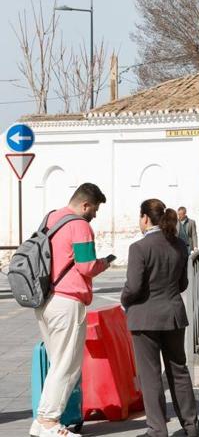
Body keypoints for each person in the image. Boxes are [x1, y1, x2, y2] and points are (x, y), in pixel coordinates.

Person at [30, 183, 113, 437]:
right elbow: (86, 267)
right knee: (67, 365)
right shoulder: (80, 226)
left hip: (44, 300)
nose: (95, 215)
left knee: (58, 363)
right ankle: (48, 422)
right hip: (67, 301)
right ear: (85, 205)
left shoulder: (51, 218)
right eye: (95, 209)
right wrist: (105, 263)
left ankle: (41, 422)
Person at [122, 200, 198, 437]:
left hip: (144, 317)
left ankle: (157, 429)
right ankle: (191, 425)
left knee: (150, 374)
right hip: (173, 314)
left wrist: (125, 299)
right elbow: (183, 284)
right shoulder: (180, 245)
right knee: (179, 370)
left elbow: (133, 287)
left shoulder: (139, 248)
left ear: (145, 218)